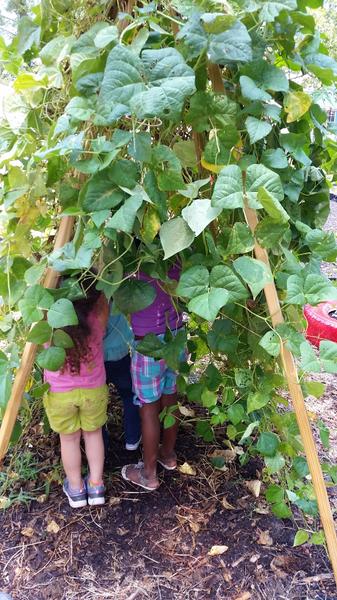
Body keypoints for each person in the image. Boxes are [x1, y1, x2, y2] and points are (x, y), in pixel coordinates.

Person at [43, 274, 109, 508]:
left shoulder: (49, 322)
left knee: (68, 440)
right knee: (93, 435)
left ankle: (76, 489)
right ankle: (96, 485)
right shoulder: (99, 315)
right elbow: (102, 296)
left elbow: (38, 301)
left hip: (60, 394)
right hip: (93, 389)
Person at [121, 264, 185, 491]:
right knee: (170, 396)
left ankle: (148, 474)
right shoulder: (178, 249)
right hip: (177, 334)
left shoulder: (134, 259)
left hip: (148, 343)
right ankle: (167, 455)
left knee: (148, 408)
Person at [103, 309, 141, 451]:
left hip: (95, 361)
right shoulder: (112, 290)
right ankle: (132, 439)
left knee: (97, 403)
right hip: (120, 354)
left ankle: (101, 445)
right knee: (129, 395)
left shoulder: (81, 298)